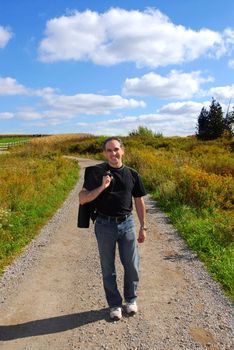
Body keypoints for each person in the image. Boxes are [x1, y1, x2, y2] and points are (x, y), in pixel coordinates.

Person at [79, 137, 147, 321]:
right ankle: (115, 305)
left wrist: (143, 226)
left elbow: (139, 201)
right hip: (104, 225)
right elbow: (82, 198)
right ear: (104, 153)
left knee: (132, 265)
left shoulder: (132, 174)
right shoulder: (97, 173)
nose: (113, 153)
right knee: (108, 268)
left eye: (116, 149)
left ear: (122, 150)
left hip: (127, 224)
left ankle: (131, 300)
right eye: (109, 150)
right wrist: (102, 187)